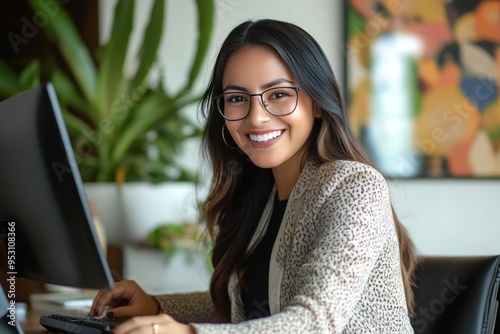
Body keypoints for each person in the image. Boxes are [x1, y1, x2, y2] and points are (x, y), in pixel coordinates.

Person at [90, 19, 418, 333]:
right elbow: (246, 307)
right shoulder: (258, 195)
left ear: (317, 103)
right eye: (236, 99)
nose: (256, 117)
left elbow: (315, 321)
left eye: (278, 94)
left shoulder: (355, 185)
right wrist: (157, 308)